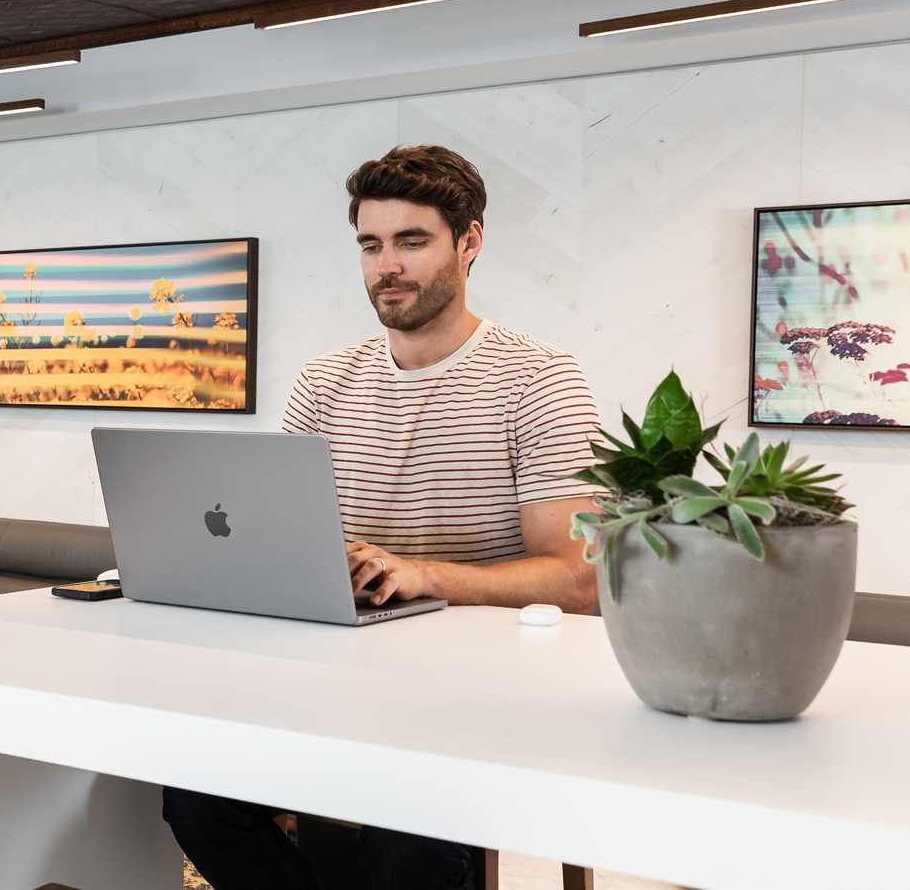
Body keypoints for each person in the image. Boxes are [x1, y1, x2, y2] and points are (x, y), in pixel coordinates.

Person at [162, 144, 602, 890]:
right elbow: (280, 536)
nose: (386, 265)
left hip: (482, 693)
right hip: (341, 679)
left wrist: (423, 575)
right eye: (370, 244)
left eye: (411, 241)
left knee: (405, 844)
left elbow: (576, 581)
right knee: (194, 799)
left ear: (470, 242)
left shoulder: (540, 378)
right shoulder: (325, 380)